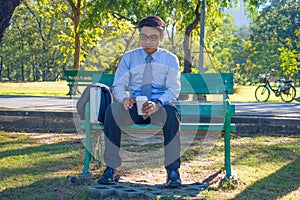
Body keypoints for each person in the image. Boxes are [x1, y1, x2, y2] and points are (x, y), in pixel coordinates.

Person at [97, 16, 182, 188]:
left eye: (153, 37)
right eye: (144, 36)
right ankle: (110, 168)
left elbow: (174, 88)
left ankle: (173, 172)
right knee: (112, 110)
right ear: (139, 36)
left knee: (172, 113)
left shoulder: (170, 59)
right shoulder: (129, 58)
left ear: (161, 37)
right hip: (134, 107)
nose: (148, 41)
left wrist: (158, 102)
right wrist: (124, 98)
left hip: (159, 108)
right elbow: (119, 84)